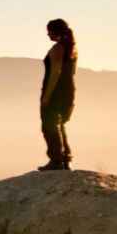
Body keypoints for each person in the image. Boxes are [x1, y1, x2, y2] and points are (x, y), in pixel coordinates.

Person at [39, 18, 77, 171]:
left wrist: (47, 95)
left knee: (49, 125)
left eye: (49, 31)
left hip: (55, 91)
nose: (48, 34)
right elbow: (71, 72)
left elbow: (55, 72)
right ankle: (66, 158)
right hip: (68, 90)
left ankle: (56, 160)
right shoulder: (71, 49)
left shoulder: (57, 48)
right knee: (60, 124)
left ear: (55, 32)